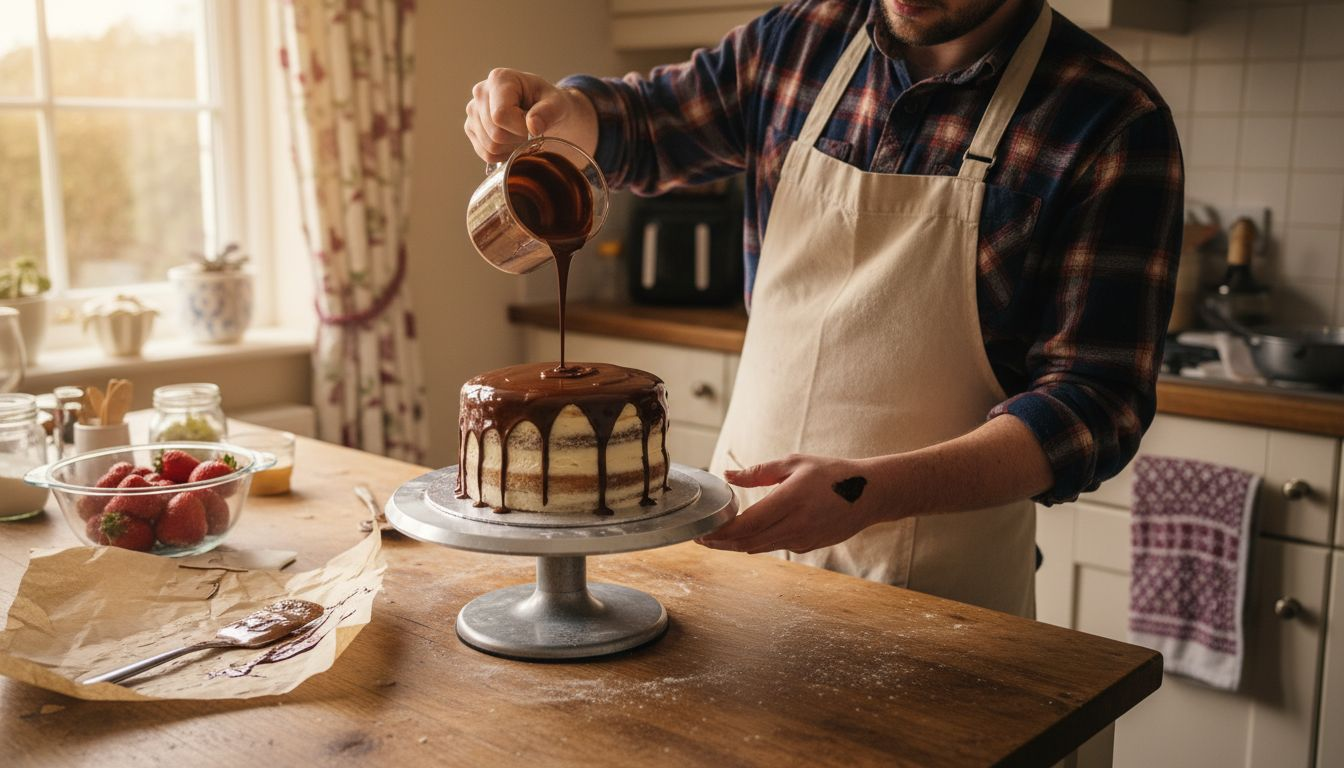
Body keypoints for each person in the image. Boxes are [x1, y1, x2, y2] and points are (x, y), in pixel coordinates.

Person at [463, 0, 1182, 617]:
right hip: (735, 556)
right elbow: (647, 126)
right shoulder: (804, 38)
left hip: (937, 604)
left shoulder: (1111, 122)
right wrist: (562, 113)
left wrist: (870, 490)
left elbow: (1095, 406)